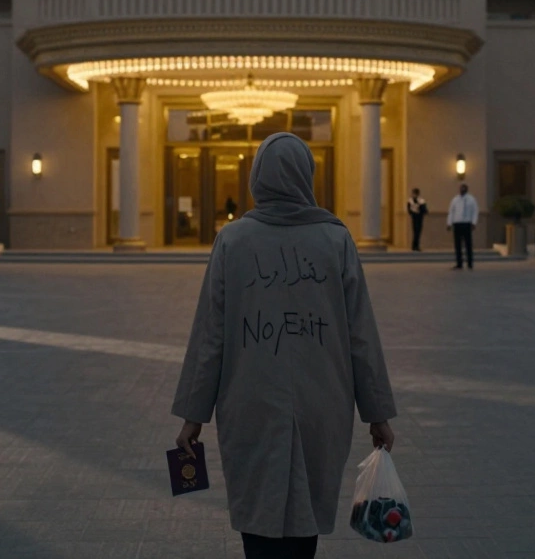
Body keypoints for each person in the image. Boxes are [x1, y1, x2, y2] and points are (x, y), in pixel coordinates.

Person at [172, 132, 397, 559]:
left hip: (249, 403)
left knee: (257, 511)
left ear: (258, 177)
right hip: (321, 404)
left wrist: (192, 417)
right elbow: (360, 336)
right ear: (305, 175)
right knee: (305, 516)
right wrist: (378, 413)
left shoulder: (233, 241)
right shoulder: (335, 240)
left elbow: (209, 337)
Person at [446, 184, 479, 270]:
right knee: (458, 245)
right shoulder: (455, 199)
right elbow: (451, 211)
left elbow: (475, 211)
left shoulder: (471, 199)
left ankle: (470, 263)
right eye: (461, 188)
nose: (462, 190)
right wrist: (449, 223)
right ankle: (459, 263)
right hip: (457, 223)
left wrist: (474, 222)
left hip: (467, 223)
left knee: (468, 244)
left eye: (464, 188)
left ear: (467, 189)